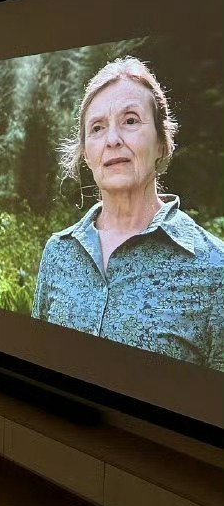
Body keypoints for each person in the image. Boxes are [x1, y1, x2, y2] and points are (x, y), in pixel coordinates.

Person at [32, 56, 224, 371]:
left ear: (162, 143)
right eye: (97, 128)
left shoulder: (215, 270)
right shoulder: (58, 254)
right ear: (86, 154)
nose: (112, 140)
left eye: (131, 121)